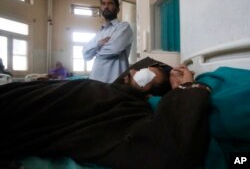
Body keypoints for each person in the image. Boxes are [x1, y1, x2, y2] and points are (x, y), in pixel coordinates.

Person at [0, 60, 211, 169]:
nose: (136, 71)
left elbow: (170, 149)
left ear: (149, 96)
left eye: (147, 75)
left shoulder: (128, 108)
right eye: (140, 68)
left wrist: (187, 87)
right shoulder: (106, 87)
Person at [83, 0, 133, 83]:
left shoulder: (124, 27)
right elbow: (85, 55)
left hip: (114, 82)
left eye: (110, 3)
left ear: (118, 9)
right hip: (94, 80)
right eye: (103, 4)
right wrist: (98, 44)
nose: (106, 6)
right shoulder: (99, 33)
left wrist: (94, 51)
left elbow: (114, 49)